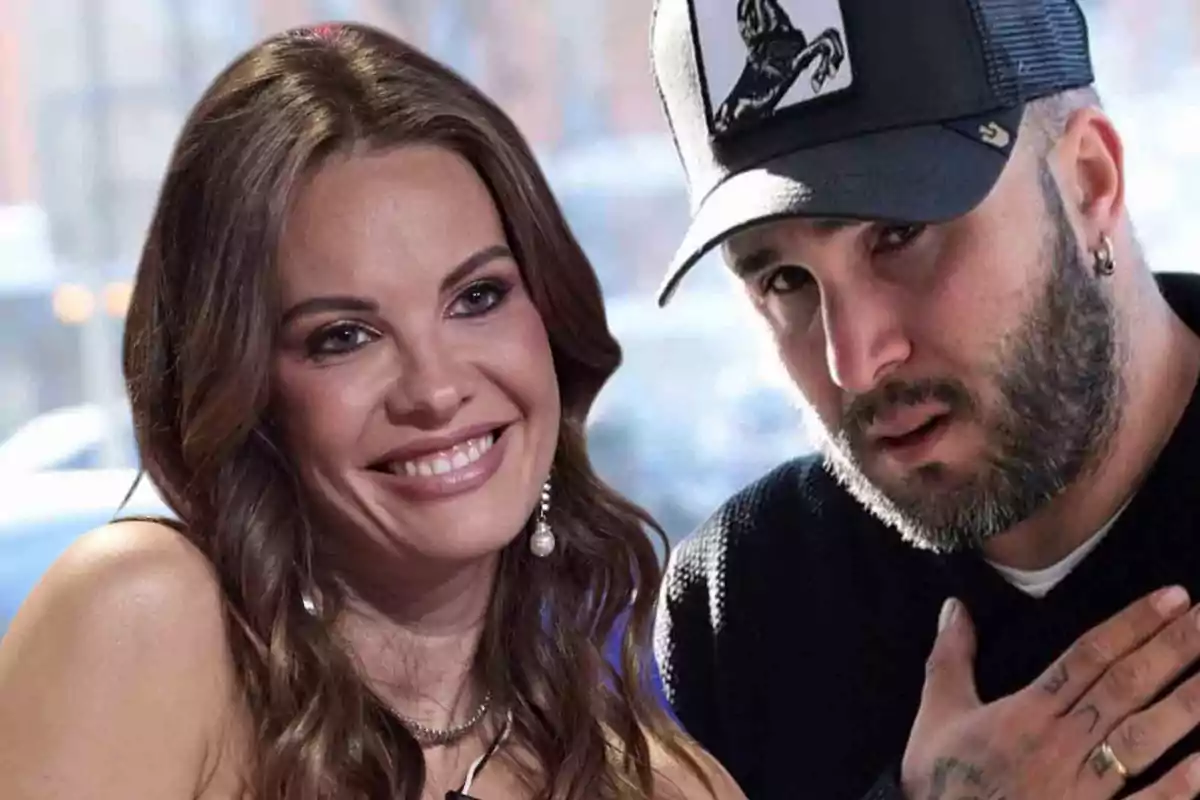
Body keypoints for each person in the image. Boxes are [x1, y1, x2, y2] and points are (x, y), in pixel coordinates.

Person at [0, 22, 745, 800]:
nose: (434, 389)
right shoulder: (143, 622)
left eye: (477, 297)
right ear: (248, 387)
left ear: (550, 321)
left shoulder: (661, 784)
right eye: (343, 337)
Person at [648, 0, 1200, 798]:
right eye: (785, 281)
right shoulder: (748, 600)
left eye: (898, 234)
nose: (855, 361)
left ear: (1089, 183)